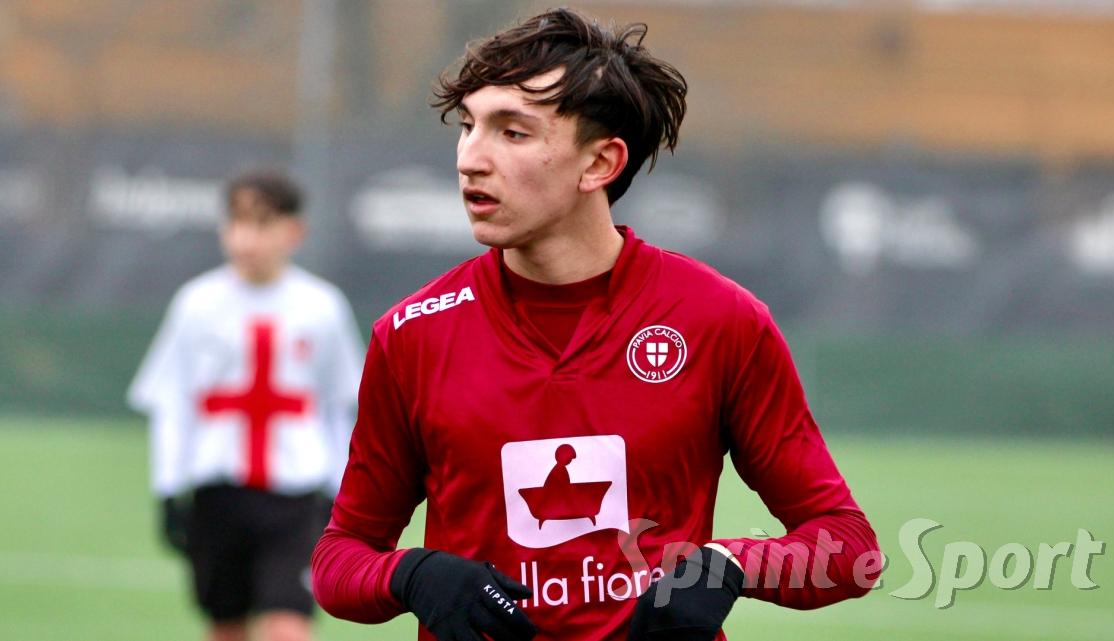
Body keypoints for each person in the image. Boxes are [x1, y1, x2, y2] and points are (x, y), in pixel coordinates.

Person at [312, 8, 880, 641]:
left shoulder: (720, 320)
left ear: (600, 163)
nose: (470, 159)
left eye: (512, 133)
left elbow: (848, 546)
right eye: (468, 126)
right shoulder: (411, 334)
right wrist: (411, 575)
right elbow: (340, 559)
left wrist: (725, 566)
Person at [128, 169, 365, 641]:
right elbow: (173, 404)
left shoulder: (322, 307)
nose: (245, 238)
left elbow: (338, 408)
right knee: (226, 624)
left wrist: (339, 493)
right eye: (236, 222)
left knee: (288, 624)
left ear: (293, 232)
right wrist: (168, 489)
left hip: (295, 498)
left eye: (261, 223)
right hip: (218, 494)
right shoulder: (196, 304)